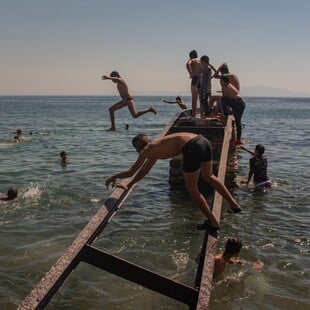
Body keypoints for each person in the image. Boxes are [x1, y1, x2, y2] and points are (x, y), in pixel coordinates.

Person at [105, 132, 242, 230]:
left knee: (192, 188)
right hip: (202, 140)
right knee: (209, 176)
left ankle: (212, 222)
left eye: (136, 150)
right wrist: (128, 183)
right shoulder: (155, 146)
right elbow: (144, 171)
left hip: (192, 147)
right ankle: (233, 204)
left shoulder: (146, 150)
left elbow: (132, 171)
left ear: (139, 147)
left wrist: (114, 176)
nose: (138, 152)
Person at [220, 76, 246, 145]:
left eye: (221, 81)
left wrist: (226, 112)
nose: (220, 83)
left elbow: (225, 98)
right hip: (241, 103)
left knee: (222, 99)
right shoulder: (230, 85)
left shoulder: (225, 87)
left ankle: (224, 115)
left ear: (223, 82)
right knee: (238, 122)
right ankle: (238, 139)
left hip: (237, 104)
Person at [186, 50, 202, 118]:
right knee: (202, 100)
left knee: (194, 100)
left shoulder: (192, 60)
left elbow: (188, 64)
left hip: (195, 79)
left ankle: (193, 116)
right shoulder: (200, 60)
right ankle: (202, 115)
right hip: (201, 79)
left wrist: (190, 72)